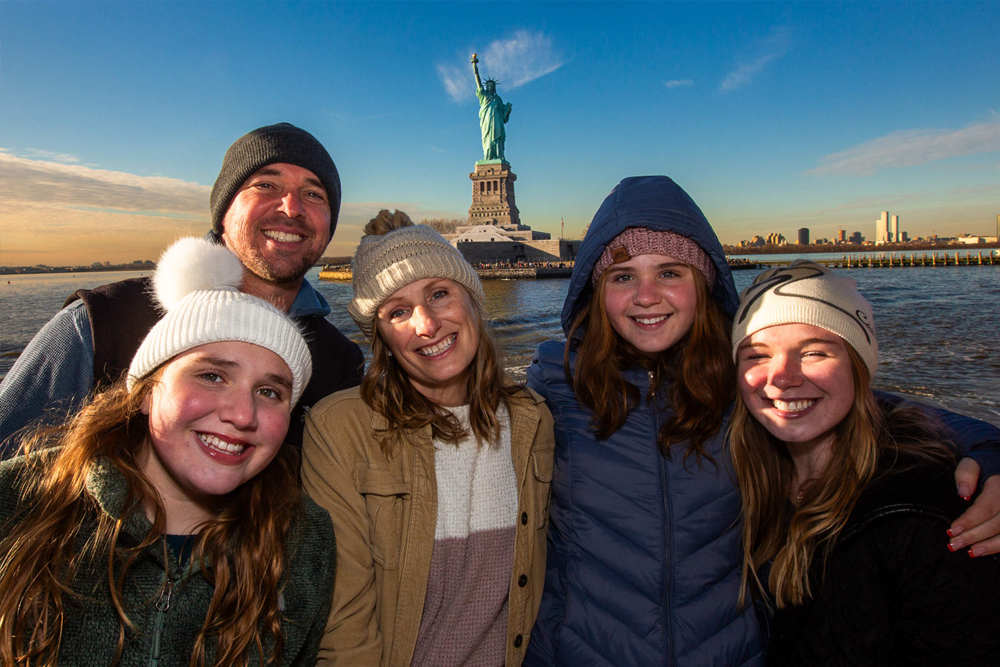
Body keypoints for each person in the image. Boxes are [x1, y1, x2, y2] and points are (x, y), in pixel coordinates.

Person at [522, 176, 1000, 666]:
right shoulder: (557, 387)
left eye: (670, 273)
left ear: (704, 285)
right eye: (622, 277)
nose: (646, 296)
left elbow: (877, 407)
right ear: (595, 292)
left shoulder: (749, 383)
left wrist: (990, 455)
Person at [0, 237, 336, 666]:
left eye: (269, 391)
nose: (242, 414)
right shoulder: (20, 500)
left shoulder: (304, 542)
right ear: (145, 392)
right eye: (213, 376)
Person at [0, 122, 364, 455]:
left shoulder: (339, 362)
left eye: (314, 194)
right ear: (223, 211)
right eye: (266, 185)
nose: (292, 208)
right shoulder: (99, 325)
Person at [300, 210, 554, 666]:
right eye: (398, 311)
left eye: (439, 294)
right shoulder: (339, 429)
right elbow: (345, 630)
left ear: (474, 301)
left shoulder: (533, 420)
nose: (426, 324)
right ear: (381, 336)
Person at [729, 260, 1000, 664]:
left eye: (815, 351)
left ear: (860, 367)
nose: (782, 377)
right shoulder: (749, 482)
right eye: (756, 355)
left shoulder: (925, 517)